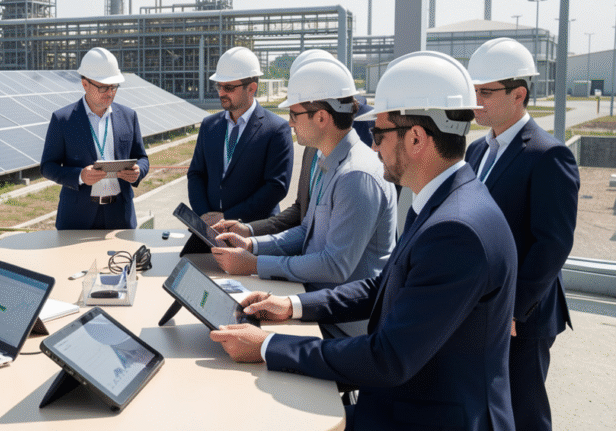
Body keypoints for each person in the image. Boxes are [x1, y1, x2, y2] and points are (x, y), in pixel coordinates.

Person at [210, 51, 518, 431]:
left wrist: (269, 346)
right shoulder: (443, 202)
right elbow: (381, 286)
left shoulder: (457, 229)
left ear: (418, 138)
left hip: (429, 417)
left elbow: (389, 357)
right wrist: (290, 305)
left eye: (379, 134)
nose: (373, 147)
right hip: (408, 404)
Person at [211, 59, 396, 336]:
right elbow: (306, 231)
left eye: (295, 114)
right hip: (315, 305)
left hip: (344, 328)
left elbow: (335, 266)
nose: (290, 122)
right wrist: (251, 245)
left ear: (321, 117)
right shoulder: (327, 161)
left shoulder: (356, 176)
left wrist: (255, 264)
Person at [465, 38, 579, 431]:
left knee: (525, 411)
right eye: (473, 90)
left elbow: (554, 242)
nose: (475, 99)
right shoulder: (477, 152)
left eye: (485, 91)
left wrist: (514, 307)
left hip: (523, 315)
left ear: (519, 94)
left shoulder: (548, 155)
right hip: (484, 307)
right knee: (492, 407)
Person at [40, 47, 149, 230]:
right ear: (85, 84)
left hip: (120, 215)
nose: (110, 93)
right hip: (77, 218)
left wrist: (139, 172)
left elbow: (142, 157)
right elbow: (47, 166)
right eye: (104, 87)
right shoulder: (63, 119)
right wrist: (80, 176)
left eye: (114, 87)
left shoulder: (128, 116)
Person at [187, 46, 293, 224]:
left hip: (255, 232)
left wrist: (228, 217)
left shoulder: (276, 129)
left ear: (251, 88)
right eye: (219, 86)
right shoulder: (209, 126)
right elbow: (196, 174)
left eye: (228, 87)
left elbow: (276, 187)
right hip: (211, 230)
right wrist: (205, 216)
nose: (221, 93)